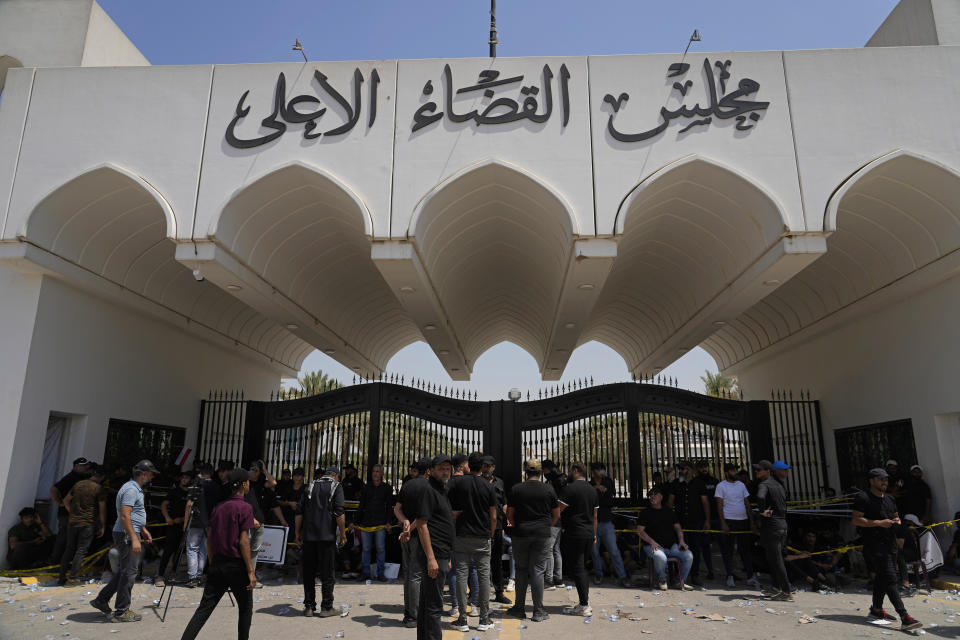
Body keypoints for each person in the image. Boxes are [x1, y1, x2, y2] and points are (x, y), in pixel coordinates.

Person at [180, 468, 257, 640]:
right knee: (245, 608)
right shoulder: (245, 507)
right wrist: (250, 571)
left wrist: (213, 561)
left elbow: (210, 539)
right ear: (244, 484)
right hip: (237, 566)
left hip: (218, 564)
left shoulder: (219, 507)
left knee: (204, 608)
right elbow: (244, 541)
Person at [851, 468, 923, 631]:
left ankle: (876, 610)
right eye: (881, 479)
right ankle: (904, 617)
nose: (885, 482)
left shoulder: (890, 498)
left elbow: (896, 515)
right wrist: (878, 523)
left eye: (886, 479)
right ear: (872, 481)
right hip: (874, 545)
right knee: (890, 578)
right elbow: (856, 520)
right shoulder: (863, 497)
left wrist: (896, 521)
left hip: (890, 543)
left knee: (882, 578)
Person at [90, 459, 158, 623]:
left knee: (124, 571)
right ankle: (122, 611)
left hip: (130, 531)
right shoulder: (131, 490)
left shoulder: (134, 488)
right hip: (127, 534)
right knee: (129, 573)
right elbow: (125, 515)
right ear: (143, 474)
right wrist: (135, 538)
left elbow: (132, 515)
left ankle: (102, 599)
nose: (152, 477)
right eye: (151, 474)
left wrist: (143, 529)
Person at [404, 454, 454, 640]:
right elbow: (423, 524)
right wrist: (432, 559)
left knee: (427, 603)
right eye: (441, 468)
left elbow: (421, 520)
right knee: (434, 606)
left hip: (441, 553)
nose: (445, 472)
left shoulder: (441, 489)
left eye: (447, 468)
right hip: (434, 553)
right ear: (431, 471)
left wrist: (409, 529)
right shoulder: (429, 490)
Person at [505, 458, 560, 623]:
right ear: (540, 472)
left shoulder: (517, 489)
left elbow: (509, 513)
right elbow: (556, 515)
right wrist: (546, 526)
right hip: (542, 534)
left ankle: (519, 608)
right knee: (538, 571)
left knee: (521, 569)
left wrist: (517, 525)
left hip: (521, 533)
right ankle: (538, 610)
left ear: (526, 472)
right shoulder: (548, 490)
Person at [448, 452, 497, 632]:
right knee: (484, 576)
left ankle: (462, 618)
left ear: (469, 465)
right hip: (482, 536)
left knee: (461, 574)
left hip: (461, 535)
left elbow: (448, 505)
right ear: (483, 466)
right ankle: (484, 617)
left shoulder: (458, 483)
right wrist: (490, 535)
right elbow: (493, 516)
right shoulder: (488, 486)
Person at [296, 466, 347, 617]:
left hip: (309, 537)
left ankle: (309, 607)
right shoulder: (336, 486)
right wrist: (343, 534)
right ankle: (326, 607)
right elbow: (339, 512)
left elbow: (299, 512)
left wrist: (297, 533)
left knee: (309, 572)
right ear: (336, 476)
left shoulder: (310, 486)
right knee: (327, 573)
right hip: (327, 537)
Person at [557, 461, 598, 616]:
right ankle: (584, 602)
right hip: (588, 534)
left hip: (574, 534)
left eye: (569, 471)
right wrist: (594, 534)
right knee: (582, 568)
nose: (567, 473)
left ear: (575, 471)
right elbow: (595, 516)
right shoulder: (592, 490)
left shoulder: (569, 489)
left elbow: (558, 511)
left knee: (578, 568)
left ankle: (584, 605)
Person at [395, 457, 431, 628]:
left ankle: (408, 612)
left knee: (409, 574)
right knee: (416, 575)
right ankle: (414, 615)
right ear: (429, 471)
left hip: (405, 535)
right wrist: (411, 528)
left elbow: (396, 509)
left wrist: (405, 522)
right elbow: (423, 516)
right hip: (418, 536)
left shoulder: (408, 484)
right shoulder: (428, 487)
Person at [637, 485, 693, 591]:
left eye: (655, 494)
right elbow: (640, 531)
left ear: (661, 497)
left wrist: (681, 540)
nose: (652, 496)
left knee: (689, 555)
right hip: (652, 546)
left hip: (671, 546)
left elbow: (678, 528)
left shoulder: (669, 511)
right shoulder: (645, 513)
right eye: (650, 495)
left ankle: (679, 581)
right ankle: (662, 579)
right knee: (660, 557)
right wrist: (651, 542)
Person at [58, 464, 107, 585]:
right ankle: (72, 578)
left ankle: (61, 578)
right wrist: (103, 525)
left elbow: (65, 500)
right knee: (81, 550)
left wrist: (72, 512)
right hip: (87, 523)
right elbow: (102, 509)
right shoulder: (99, 489)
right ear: (102, 477)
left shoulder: (78, 484)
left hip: (73, 522)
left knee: (69, 549)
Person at [715, 462, 758, 588]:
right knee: (729, 550)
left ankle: (750, 577)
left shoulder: (741, 485)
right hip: (729, 520)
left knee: (745, 550)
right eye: (733, 471)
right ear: (727, 472)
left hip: (743, 520)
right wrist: (723, 523)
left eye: (736, 470)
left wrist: (751, 522)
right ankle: (730, 576)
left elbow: (747, 504)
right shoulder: (721, 486)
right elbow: (719, 506)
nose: (735, 473)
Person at [754, 459, 792, 601]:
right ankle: (777, 588)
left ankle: (787, 591)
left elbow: (760, 497)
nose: (757, 472)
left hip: (772, 527)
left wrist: (762, 511)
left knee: (776, 560)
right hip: (782, 525)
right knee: (773, 559)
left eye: (759, 470)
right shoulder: (779, 485)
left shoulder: (764, 484)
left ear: (768, 471)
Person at [589, 461, 630, 587]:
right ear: (593, 471)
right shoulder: (590, 484)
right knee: (594, 551)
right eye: (599, 469)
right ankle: (598, 574)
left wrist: (598, 494)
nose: (601, 471)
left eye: (602, 469)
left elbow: (608, 499)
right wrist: (596, 489)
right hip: (593, 523)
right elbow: (589, 499)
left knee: (614, 550)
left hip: (606, 521)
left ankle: (622, 576)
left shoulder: (608, 482)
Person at [48, 457, 91, 564]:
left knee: (72, 541)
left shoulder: (82, 478)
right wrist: (59, 503)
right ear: (76, 467)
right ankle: (55, 562)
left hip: (75, 514)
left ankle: (64, 563)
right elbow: (54, 489)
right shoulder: (70, 478)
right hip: (66, 515)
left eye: (86, 465)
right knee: (63, 539)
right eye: (83, 466)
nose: (85, 468)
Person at [183, 463, 219, 588]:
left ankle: (192, 577)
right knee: (204, 550)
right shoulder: (215, 486)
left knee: (192, 549)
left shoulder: (197, 485)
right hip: (209, 523)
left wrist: (185, 523)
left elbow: (189, 505)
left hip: (195, 522)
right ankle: (199, 576)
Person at [481, 454, 511, 604]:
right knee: (478, 562)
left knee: (496, 561)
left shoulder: (499, 482)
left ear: (493, 467)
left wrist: (507, 521)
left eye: (488, 466)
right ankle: (476, 593)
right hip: (481, 527)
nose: (485, 469)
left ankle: (499, 592)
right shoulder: (478, 482)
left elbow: (504, 503)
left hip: (498, 527)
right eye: (483, 466)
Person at [154, 469, 190, 586]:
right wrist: (167, 518)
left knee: (179, 553)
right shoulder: (174, 491)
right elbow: (163, 505)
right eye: (183, 478)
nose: (184, 480)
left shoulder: (192, 493)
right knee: (167, 551)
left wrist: (183, 520)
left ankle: (173, 574)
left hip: (185, 528)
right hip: (172, 526)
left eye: (187, 478)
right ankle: (160, 576)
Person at [358, 464, 393, 581]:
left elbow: (389, 507)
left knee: (380, 549)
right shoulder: (366, 487)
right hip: (366, 523)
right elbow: (361, 506)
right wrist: (355, 522)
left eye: (378, 471)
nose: (375, 473)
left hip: (380, 524)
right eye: (374, 471)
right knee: (366, 549)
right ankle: (365, 572)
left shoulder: (387, 488)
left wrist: (388, 522)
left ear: (382, 474)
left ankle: (380, 573)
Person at [687, 460, 718, 583]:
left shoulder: (714, 482)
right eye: (701, 467)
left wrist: (708, 520)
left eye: (705, 466)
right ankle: (696, 572)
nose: (704, 469)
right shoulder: (695, 483)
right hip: (700, 519)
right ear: (696, 470)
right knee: (697, 546)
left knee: (707, 546)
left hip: (714, 517)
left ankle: (711, 570)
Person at [542, 460, 566, 589]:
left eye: (544, 470)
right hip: (558, 520)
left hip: (553, 519)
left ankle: (549, 580)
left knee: (550, 549)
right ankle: (559, 578)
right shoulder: (560, 479)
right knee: (556, 549)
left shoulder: (557, 482)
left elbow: (555, 501)